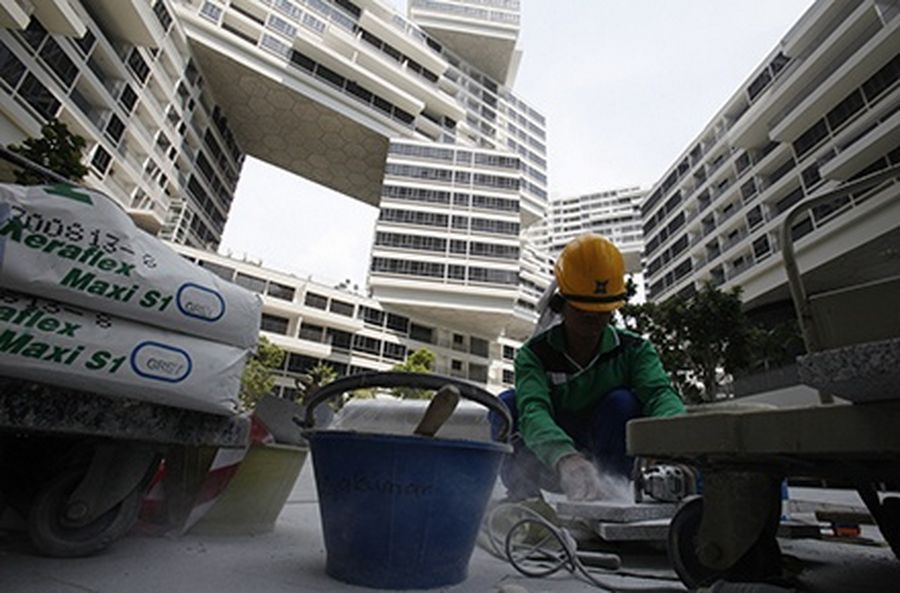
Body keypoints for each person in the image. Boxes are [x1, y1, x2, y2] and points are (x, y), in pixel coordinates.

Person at [491, 234, 685, 502]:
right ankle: (526, 503)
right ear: (562, 305)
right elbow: (534, 411)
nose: (593, 321)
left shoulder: (634, 350)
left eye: (602, 312)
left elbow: (660, 395)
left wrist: (667, 440)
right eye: (583, 312)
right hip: (553, 463)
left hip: (611, 461)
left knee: (623, 402)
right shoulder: (534, 355)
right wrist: (566, 459)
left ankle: (615, 501)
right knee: (506, 406)